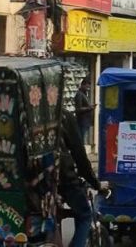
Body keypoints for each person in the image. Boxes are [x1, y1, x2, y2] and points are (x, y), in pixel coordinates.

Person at [59, 112, 107, 247]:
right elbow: (79, 156)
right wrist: (96, 183)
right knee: (85, 215)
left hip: (36, 183)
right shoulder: (63, 116)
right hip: (63, 179)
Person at [74, 77, 94, 144]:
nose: (88, 89)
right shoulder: (79, 94)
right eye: (87, 87)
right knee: (81, 139)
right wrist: (89, 108)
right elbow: (78, 109)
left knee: (82, 138)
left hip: (86, 122)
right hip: (82, 121)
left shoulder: (84, 94)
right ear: (83, 85)